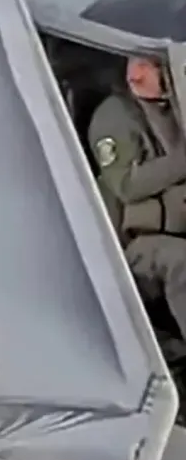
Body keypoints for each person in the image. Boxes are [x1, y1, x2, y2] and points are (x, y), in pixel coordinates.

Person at [88, 54, 186, 339]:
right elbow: (126, 184)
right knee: (181, 261)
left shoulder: (175, 105)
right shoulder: (115, 116)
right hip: (139, 241)